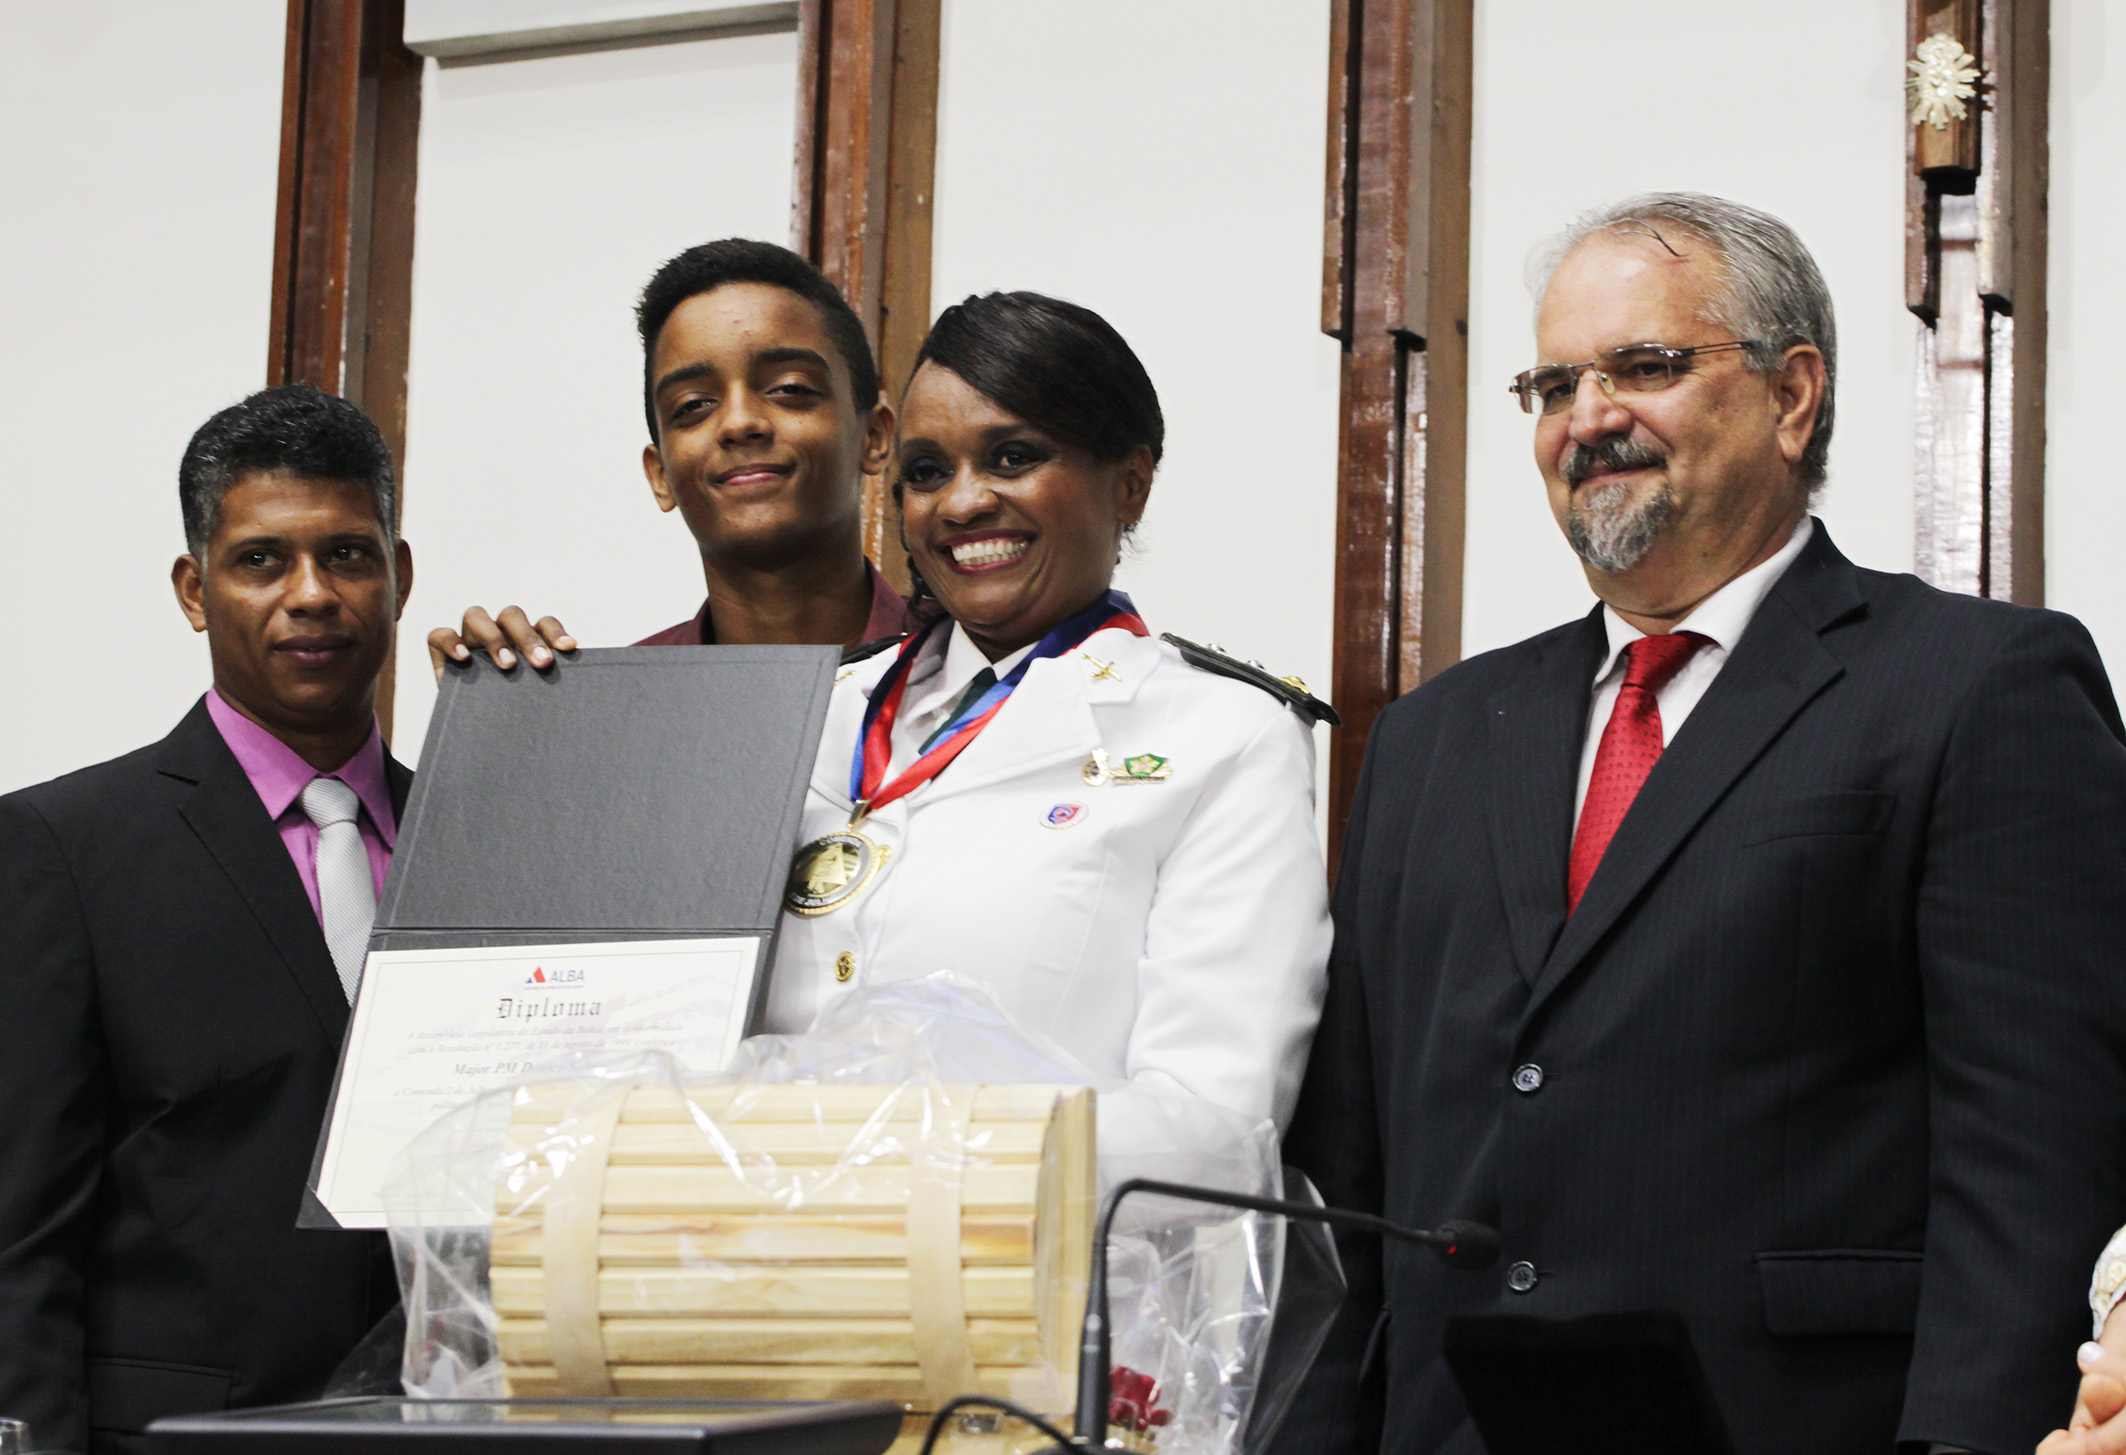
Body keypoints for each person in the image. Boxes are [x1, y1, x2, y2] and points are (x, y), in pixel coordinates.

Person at [1275, 193, 2126, 1455]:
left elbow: (2035, 1169)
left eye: (1645, 367)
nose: (1588, 417)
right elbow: (1349, 1184)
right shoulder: (1431, 736)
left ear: (1790, 397)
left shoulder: (1975, 686)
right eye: (1553, 383)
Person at [768, 290, 1331, 1132]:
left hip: (1025, 1251)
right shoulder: (812, 711)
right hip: (747, 1244)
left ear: (1130, 485)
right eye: (926, 472)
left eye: (1012, 456)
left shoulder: (1224, 735)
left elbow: (1214, 1121)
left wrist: (906, 1179)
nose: (960, 504)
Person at [0, 385, 414, 1453]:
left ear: (399, 576)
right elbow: (18, 1234)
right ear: (195, 589)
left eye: (350, 555)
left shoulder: (476, 834)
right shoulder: (63, 848)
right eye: (262, 560)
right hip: (180, 1436)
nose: (312, 595)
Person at [429, 239, 913, 675]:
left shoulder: (969, 669)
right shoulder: (614, 709)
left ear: (873, 436)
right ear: (659, 476)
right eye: (694, 406)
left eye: (789, 388)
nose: (739, 423)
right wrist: (488, 738)